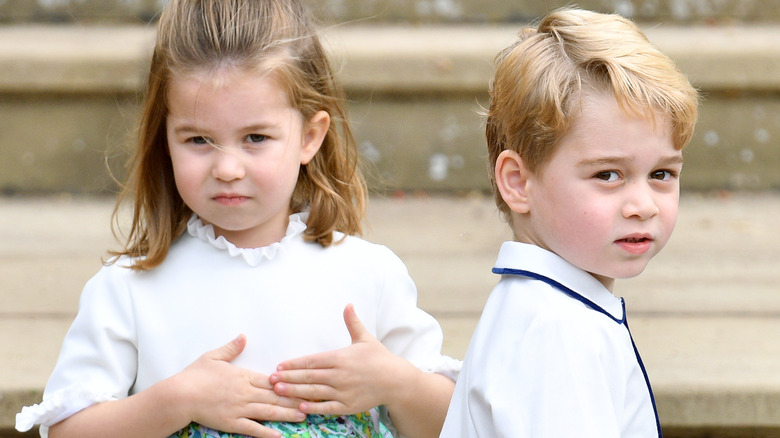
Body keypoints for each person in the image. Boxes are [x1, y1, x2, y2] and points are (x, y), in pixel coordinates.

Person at [15, 1, 458, 437]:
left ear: (310, 137)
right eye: (199, 139)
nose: (227, 168)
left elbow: (454, 425)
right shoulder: (128, 290)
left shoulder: (370, 274)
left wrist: (397, 385)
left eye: (255, 138)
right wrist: (175, 402)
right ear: (165, 139)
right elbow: (67, 430)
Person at [440, 7, 699, 438]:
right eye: (607, 175)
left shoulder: (551, 309)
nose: (643, 206)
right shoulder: (555, 332)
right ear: (518, 182)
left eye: (661, 174)